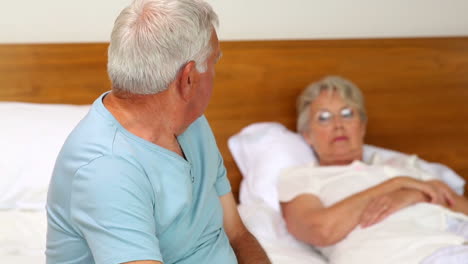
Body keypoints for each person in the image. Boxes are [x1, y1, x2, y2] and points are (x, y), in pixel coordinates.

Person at [46, 1, 271, 264]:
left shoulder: (193, 123)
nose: (215, 73)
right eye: (213, 62)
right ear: (188, 79)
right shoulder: (106, 169)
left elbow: (237, 234)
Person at [278, 76, 468, 264]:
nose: (338, 125)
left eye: (347, 114)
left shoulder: (402, 165)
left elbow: (461, 207)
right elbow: (320, 230)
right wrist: (396, 185)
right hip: (400, 254)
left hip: (455, 240)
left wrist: (411, 195)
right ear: (307, 136)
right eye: (324, 118)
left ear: (362, 126)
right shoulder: (303, 177)